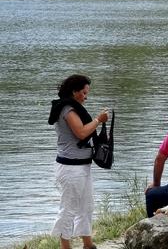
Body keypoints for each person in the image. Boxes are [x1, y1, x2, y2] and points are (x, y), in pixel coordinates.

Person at [48, 74, 109, 249]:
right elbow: (81, 133)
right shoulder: (67, 109)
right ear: (74, 92)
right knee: (68, 208)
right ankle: (65, 245)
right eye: (83, 92)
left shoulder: (74, 107)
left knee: (86, 205)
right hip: (70, 168)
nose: (86, 96)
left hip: (82, 166)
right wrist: (98, 120)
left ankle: (87, 244)